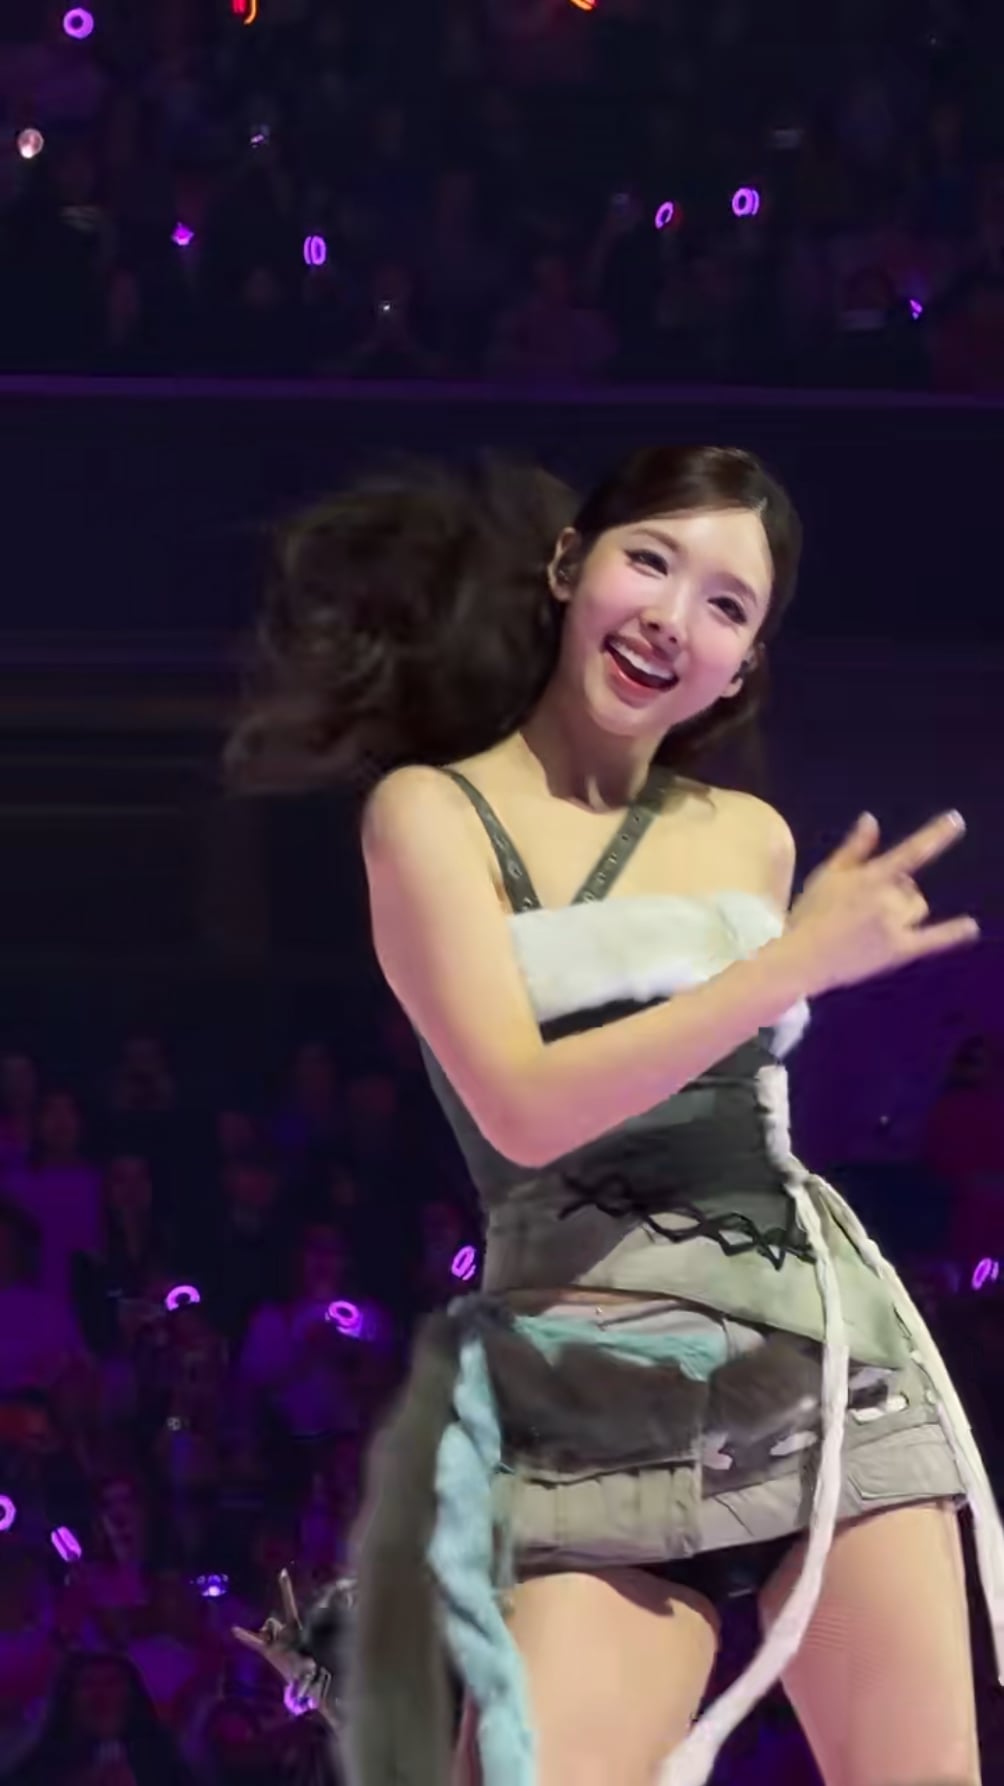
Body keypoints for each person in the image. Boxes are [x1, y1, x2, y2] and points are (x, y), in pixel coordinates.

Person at [224, 447, 1001, 1786]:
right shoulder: (430, 814)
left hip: (826, 1364)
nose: (675, 617)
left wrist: (792, 959)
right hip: (589, 1394)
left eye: (727, 606)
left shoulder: (749, 836)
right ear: (569, 564)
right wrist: (789, 965)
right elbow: (523, 1109)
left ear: (741, 668)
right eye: (652, 561)